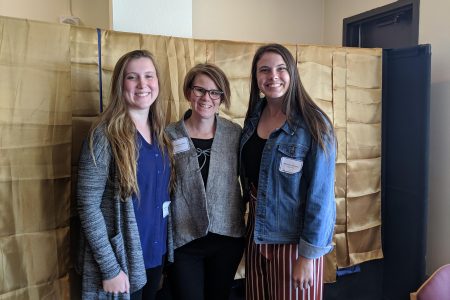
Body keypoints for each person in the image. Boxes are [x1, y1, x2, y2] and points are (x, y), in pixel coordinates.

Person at [240, 43, 336, 300]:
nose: (273, 76)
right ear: (256, 77)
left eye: (281, 69)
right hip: (257, 236)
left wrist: (307, 257)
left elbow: (322, 198)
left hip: (294, 243)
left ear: (292, 73)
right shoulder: (252, 118)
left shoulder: (315, 124)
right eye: (264, 70)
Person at [77, 49, 174, 299]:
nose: (143, 84)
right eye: (133, 77)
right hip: (122, 262)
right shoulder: (104, 135)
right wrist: (110, 269)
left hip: (155, 256)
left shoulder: (162, 135)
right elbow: (87, 205)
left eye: (149, 76)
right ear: (120, 84)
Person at [165, 63, 246, 300]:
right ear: (189, 92)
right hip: (185, 239)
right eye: (200, 90)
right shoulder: (169, 135)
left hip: (226, 237)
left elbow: (247, 177)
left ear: (221, 97)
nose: (206, 98)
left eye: (214, 92)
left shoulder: (234, 134)